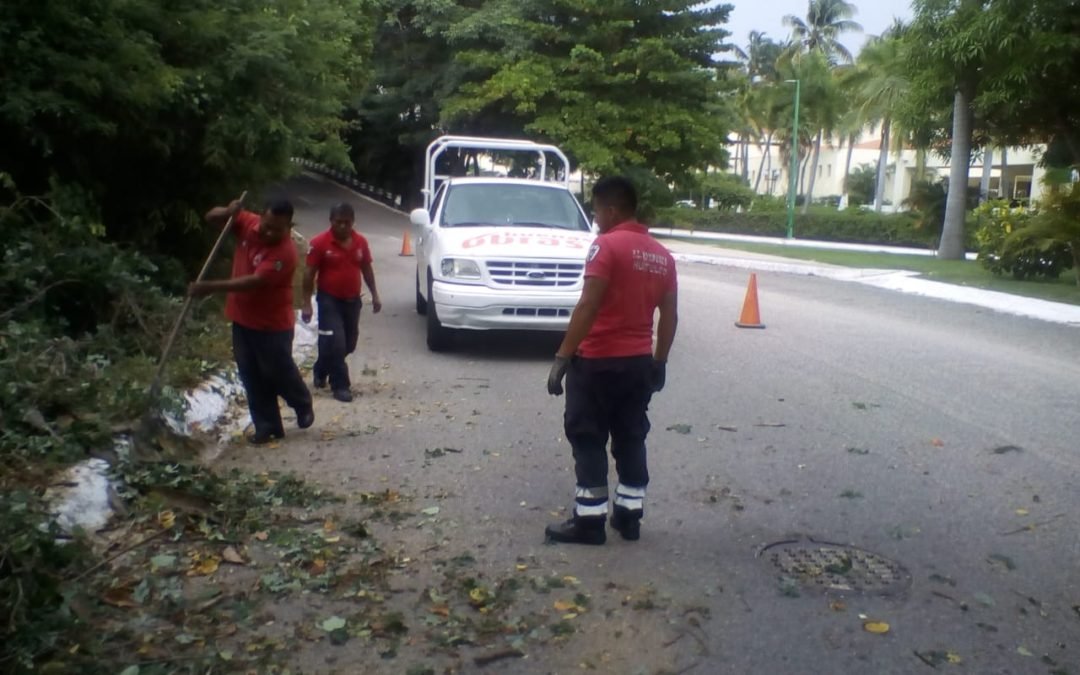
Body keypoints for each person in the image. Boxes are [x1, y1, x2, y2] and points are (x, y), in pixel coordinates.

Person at [545, 176, 679, 545]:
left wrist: (562, 358)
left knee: (588, 436)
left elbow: (588, 304)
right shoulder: (662, 256)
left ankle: (589, 523)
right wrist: (660, 361)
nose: (596, 219)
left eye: (597, 211)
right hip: (638, 364)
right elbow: (669, 316)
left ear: (612, 209)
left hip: (597, 362)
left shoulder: (605, 246)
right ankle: (629, 516)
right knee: (631, 437)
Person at [189, 198, 314, 445]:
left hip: (272, 325)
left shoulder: (284, 254)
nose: (268, 232)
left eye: (277, 229)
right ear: (261, 217)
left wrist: (210, 287)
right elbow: (211, 217)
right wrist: (228, 211)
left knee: (276, 371)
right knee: (251, 374)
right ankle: (267, 426)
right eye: (266, 225)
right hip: (242, 320)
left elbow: (253, 282)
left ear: (288, 228)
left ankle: (301, 402)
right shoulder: (248, 222)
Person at [300, 202, 382, 403]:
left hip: (352, 301)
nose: (343, 227)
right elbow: (309, 274)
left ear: (353, 222)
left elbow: (367, 269)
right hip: (329, 300)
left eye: (347, 222)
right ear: (331, 221)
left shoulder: (360, 242)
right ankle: (341, 385)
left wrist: (375, 294)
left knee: (349, 343)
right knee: (336, 342)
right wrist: (306, 303)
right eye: (339, 222)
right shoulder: (319, 243)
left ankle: (321, 367)